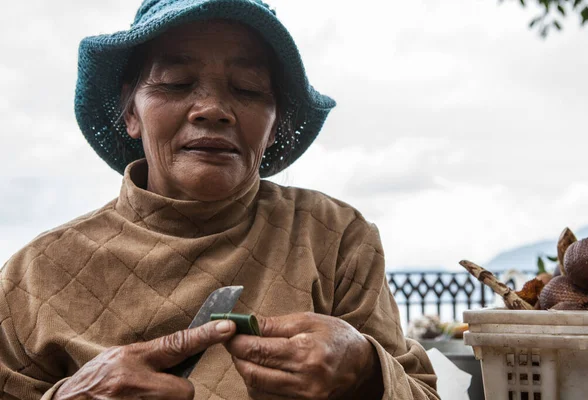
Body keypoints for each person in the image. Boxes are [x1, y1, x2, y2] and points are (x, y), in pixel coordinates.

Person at [0, 0, 439, 399]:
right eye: (176, 82)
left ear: (274, 124)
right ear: (132, 112)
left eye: (247, 88)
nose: (212, 108)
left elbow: (421, 391)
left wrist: (365, 370)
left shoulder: (336, 238)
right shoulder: (34, 276)